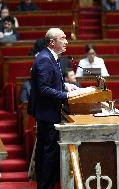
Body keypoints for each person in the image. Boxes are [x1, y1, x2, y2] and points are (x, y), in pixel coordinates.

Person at [28, 28, 81, 189]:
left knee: (47, 151)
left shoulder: (50, 56)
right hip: (47, 113)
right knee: (48, 153)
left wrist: (65, 85)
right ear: (52, 42)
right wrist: (66, 96)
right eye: (63, 38)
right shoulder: (45, 59)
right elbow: (43, 88)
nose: (66, 41)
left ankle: (46, 184)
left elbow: (50, 81)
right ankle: (45, 186)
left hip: (48, 112)